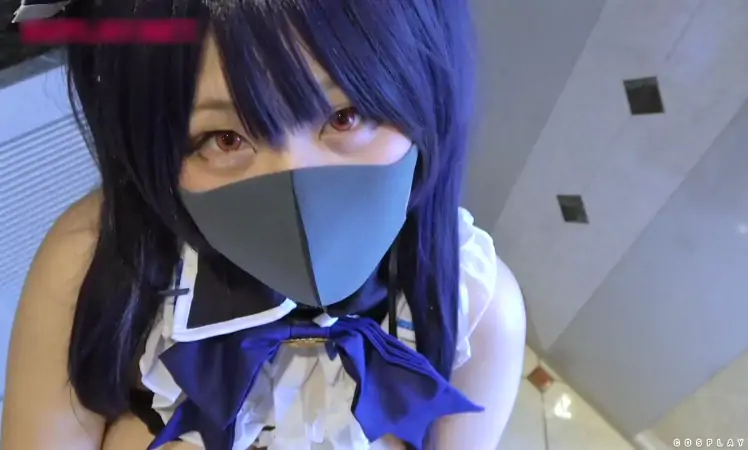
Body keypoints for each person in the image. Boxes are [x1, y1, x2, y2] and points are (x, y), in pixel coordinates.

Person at [2, 0, 526, 449]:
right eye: (226, 139)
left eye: (344, 116)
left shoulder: (477, 310)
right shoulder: (90, 267)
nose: (297, 193)